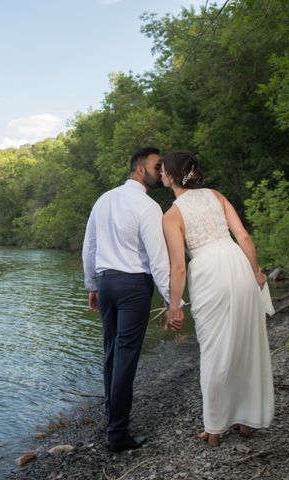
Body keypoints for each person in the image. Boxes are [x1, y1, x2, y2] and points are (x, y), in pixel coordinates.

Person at [161, 151, 274, 447]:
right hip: (236, 262)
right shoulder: (216, 195)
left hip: (208, 272)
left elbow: (178, 267)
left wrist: (174, 306)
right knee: (245, 342)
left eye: (163, 171)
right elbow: (244, 237)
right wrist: (257, 272)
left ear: (172, 177)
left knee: (214, 350)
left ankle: (214, 428)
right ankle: (246, 419)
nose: (160, 174)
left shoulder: (172, 215)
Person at [82, 146, 183, 452]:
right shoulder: (148, 206)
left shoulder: (104, 199)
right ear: (140, 169)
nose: (160, 171)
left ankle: (111, 420)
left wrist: (93, 285)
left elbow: (90, 246)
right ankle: (116, 434)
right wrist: (171, 302)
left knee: (111, 353)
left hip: (107, 282)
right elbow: (157, 258)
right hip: (133, 286)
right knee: (125, 358)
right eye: (156, 166)